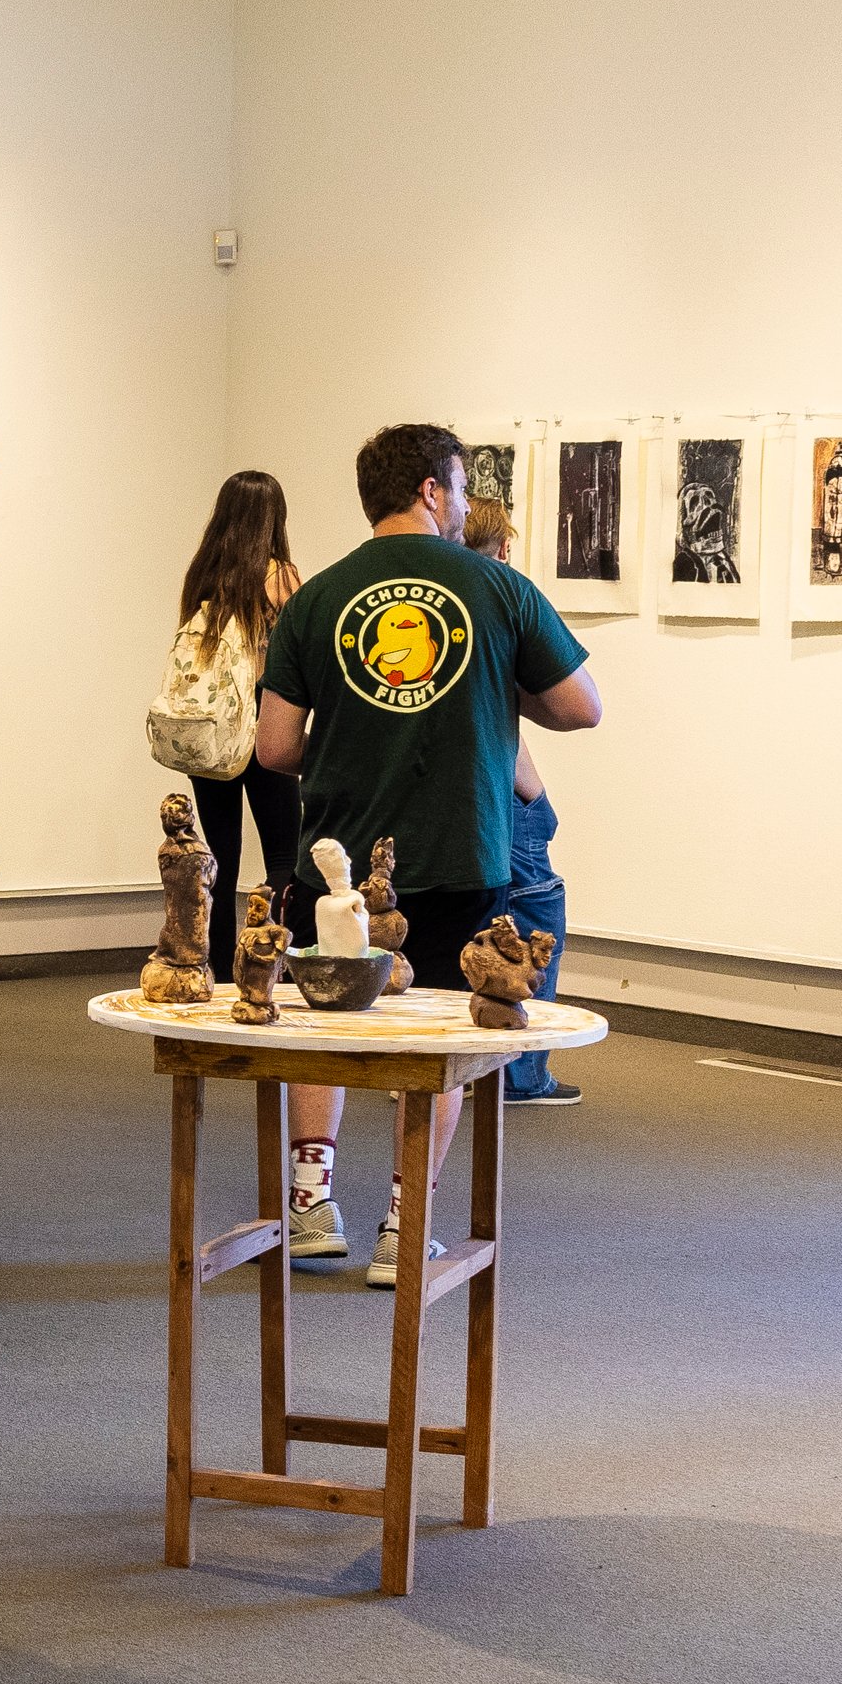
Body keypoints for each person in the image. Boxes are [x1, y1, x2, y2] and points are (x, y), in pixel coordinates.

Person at [256, 424, 603, 1284]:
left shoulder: (315, 599)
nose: (458, 503)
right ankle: (404, 1225)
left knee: (324, 1030)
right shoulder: (498, 589)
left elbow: (270, 748)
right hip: (459, 848)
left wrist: (347, 740)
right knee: (443, 1034)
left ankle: (309, 1206)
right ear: (428, 490)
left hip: (333, 864)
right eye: (456, 485)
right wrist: (492, 688)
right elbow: (580, 707)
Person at [461, 494, 581, 1107]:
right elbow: (580, 706)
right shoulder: (502, 601)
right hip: (506, 800)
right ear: (503, 549)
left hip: (475, 798)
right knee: (534, 923)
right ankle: (521, 1073)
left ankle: (471, 1066)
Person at [162, 472, 300, 980]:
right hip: (264, 724)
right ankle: (275, 965)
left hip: (210, 729)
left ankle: (216, 971)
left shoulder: (205, 572)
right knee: (285, 850)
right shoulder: (280, 575)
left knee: (219, 858)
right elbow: (294, 655)